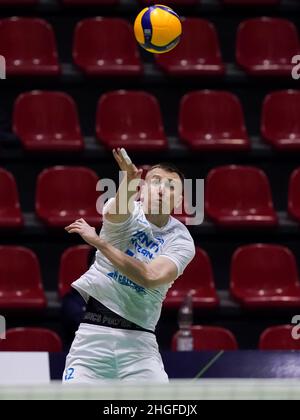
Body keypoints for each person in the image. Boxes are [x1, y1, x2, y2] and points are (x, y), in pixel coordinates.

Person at [62, 148, 196, 383]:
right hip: (92, 338)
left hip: (140, 345)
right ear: (143, 190)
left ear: (180, 200)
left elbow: (150, 276)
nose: (162, 190)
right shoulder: (127, 210)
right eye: (155, 182)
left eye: (171, 186)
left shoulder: (181, 239)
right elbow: (117, 213)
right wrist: (129, 181)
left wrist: (99, 243)